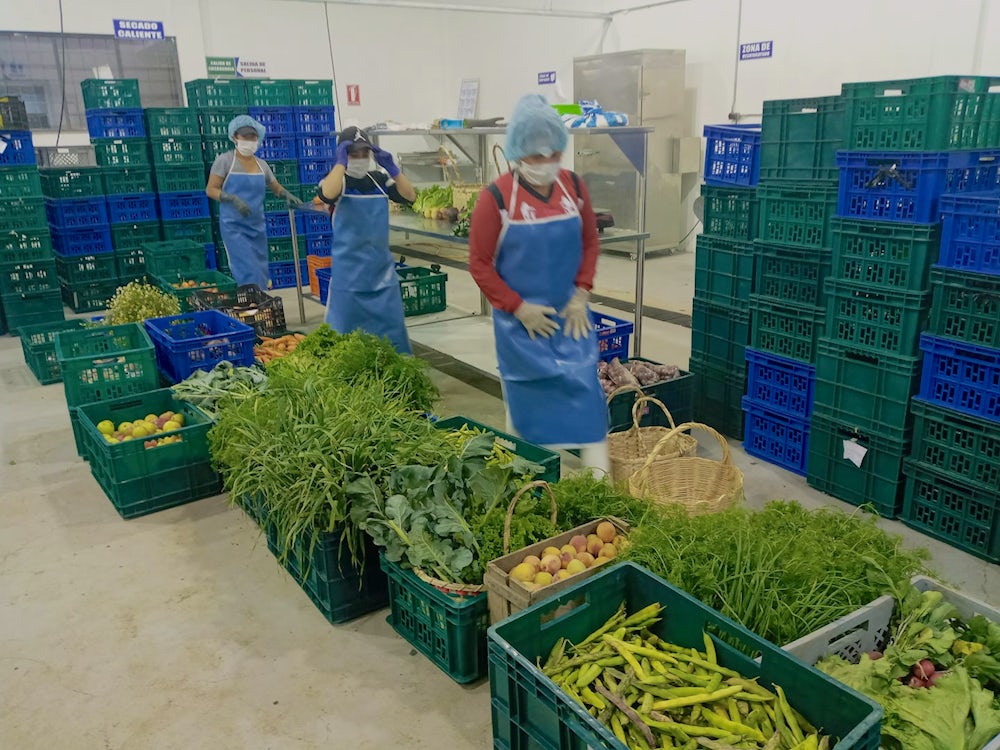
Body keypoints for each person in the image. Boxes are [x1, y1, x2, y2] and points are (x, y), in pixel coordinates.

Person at [468, 94, 609, 472]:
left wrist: (582, 292)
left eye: (552, 155)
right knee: (525, 414)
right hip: (521, 329)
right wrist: (518, 307)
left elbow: (590, 242)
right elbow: (479, 264)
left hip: (571, 318)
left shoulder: (574, 189)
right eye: (535, 156)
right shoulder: (495, 198)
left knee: (588, 405)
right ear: (517, 153)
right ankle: (528, 487)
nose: (545, 164)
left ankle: (603, 491)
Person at [316, 126, 416, 354]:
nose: (360, 159)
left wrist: (393, 168)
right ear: (343, 154)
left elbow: (410, 196)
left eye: (364, 154)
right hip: (348, 280)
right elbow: (326, 194)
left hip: (382, 277)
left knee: (392, 343)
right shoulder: (338, 182)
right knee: (344, 343)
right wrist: (340, 164)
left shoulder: (380, 180)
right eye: (354, 154)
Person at [205, 115, 304, 289]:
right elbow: (211, 189)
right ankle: (252, 307)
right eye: (245, 136)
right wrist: (232, 198)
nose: (249, 140)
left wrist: (286, 194)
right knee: (247, 269)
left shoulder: (262, 165)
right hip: (234, 226)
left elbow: (275, 186)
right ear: (235, 137)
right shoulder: (225, 161)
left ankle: (262, 305)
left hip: (257, 227)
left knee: (261, 270)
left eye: (253, 137)